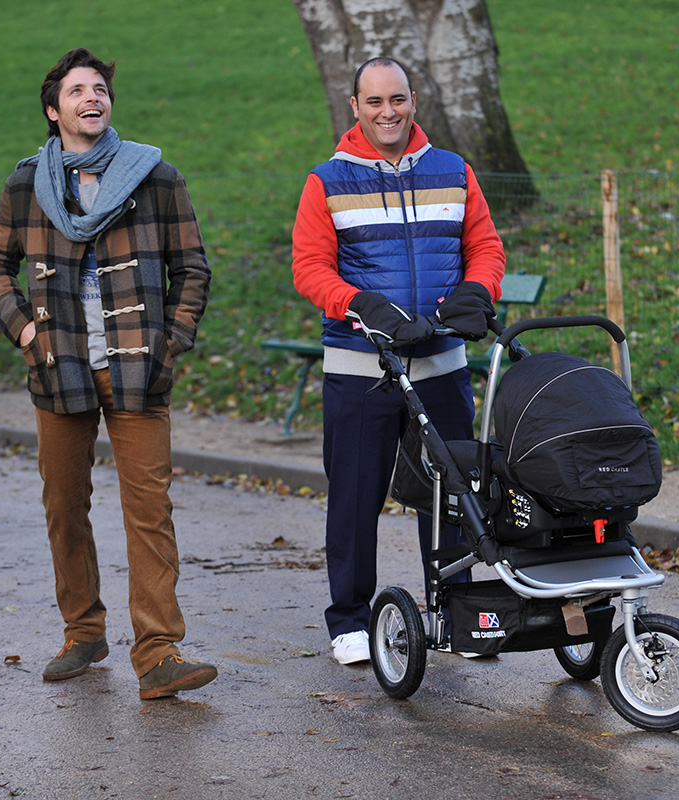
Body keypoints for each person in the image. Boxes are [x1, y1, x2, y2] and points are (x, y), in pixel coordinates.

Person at [0, 48, 216, 699]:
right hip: (58, 368)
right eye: (78, 90)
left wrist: (171, 342)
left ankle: (158, 652)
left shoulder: (155, 176)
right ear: (53, 111)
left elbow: (193, 268)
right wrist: (26, 330)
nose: (93, 97)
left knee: (149, 511)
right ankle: (83, 632)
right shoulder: (28, 184)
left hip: (138, 368)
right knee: (64, 506)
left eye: (101, 88)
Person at [291, 57, 506, 665]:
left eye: (398, 99)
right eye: (375, 101)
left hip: (440, 363)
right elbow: (309, 267)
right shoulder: (327, 181)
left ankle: (457, 615)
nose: (388, 112)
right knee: (356, 498)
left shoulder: (454, 170)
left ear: (414, 101)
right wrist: (359, 303)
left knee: (453, 494)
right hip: (362, 368)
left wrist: (477, 291)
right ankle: (349, 621)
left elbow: (485, 247)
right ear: (355, 107)